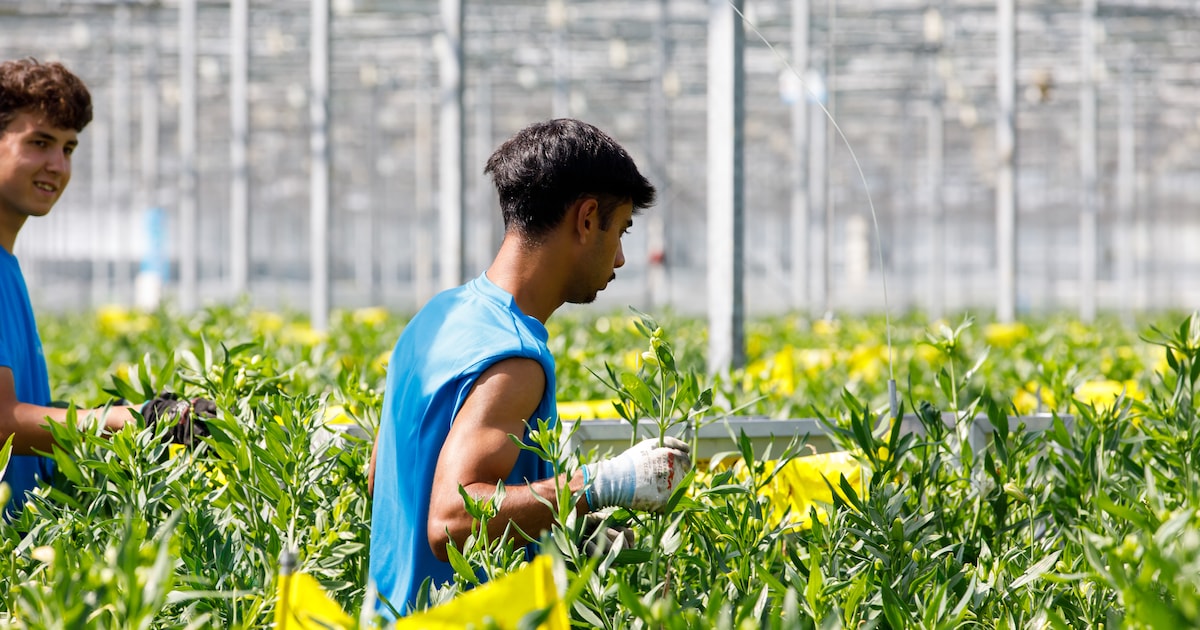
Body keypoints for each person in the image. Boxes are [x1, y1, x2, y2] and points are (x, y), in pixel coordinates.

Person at [367, 118, 692, 617]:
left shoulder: (435, 318)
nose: (622, 258)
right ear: (586, 220)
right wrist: (602, 484)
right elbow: (451, 521)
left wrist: (568, 532)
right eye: (620, 230)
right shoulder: (513, 355)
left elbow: (384, 476)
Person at [0, 58, 210, 519]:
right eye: (39, 143)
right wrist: (131, 420)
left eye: (69, 148)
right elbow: (1, 421)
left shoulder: (8, 267)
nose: (57, 165)